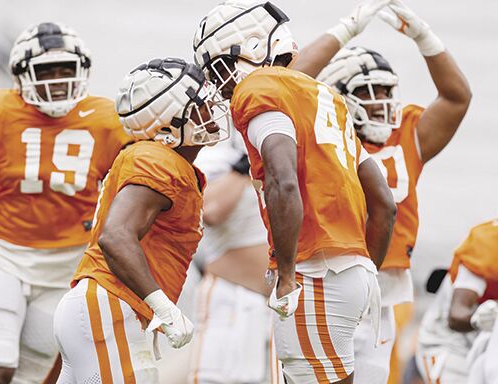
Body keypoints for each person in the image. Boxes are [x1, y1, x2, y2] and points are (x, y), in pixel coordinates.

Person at [193, 1, 396, 383]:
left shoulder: (256, 89)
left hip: (313, 272)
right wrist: (366, 267)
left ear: (251, 48)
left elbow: (282, 180)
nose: (219, 82)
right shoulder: (325, 96)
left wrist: (287, 273)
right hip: (356, 274)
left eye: (219, 66)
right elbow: (383, 203)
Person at [0, 22, 132, 383]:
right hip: (4, 255)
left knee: (32, 378)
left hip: (67, 264)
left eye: (65, 70)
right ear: (21, 75)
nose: (57, 80)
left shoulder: (107, 120)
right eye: (46, 70)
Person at [291, 0, 472, 381]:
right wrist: (347, 29)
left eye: (387, 90)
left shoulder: (405, 134)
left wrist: (425, 38)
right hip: (321, 283)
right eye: (370, 91)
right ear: (338, 96)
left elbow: (457, 97)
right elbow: (282, 85)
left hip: (381, 293)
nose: (383, 102)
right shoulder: (317, 137)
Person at [52, 57, 230, 383]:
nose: (212, 108)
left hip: (104, 307)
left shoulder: (173, 164)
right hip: (111, 306)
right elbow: (115, 236)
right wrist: (163, 307)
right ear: (165, 125)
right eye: (200, 104)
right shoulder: (157, 159)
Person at [188, 131, 282, 384]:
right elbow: (210, 211)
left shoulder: (282, 159)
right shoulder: (216, 157)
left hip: (275, 306)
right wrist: (242, 168)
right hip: (231, 297)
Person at [416, 220, 498, 383]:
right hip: (451, 348)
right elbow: (456, 316)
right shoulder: (489, 242)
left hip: (487, 351)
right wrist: (480, 319)